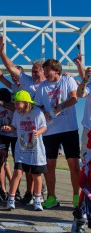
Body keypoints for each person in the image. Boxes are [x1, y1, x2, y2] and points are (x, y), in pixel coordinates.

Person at [34, 58, 80, 209]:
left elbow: (74, 98)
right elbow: (38, 106)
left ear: (56, 71)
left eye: (48, 70)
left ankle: (76, 196)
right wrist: (43, 114)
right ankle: (52, 197)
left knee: (73, 164)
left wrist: (60, 106)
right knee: (50, 164)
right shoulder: (42, 87)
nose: (45, 73)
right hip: (50, 130)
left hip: (69, 128)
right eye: (44, 70)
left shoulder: (67, 80)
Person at [1, 90, 47, 211]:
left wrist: (38, 132)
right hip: (21, 148)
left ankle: (37, 199)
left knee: (36, 175)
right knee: (17, 173)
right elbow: (14, 127)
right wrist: (8, 128)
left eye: (17, 103)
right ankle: (11, 199)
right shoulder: (17, 113)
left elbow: (44, 126)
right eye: (15, 103)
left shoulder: (37, 112)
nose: (15, 106)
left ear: (26, 103)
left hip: (36, 149)